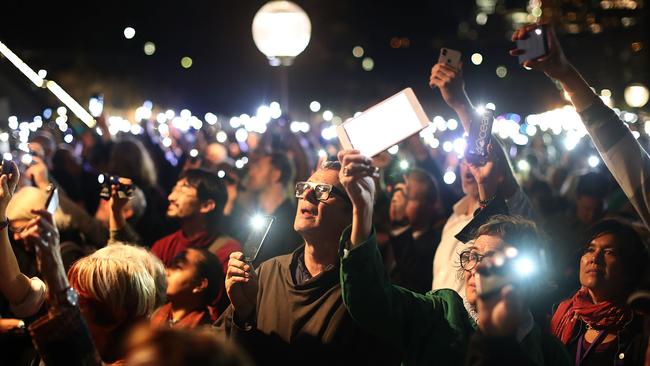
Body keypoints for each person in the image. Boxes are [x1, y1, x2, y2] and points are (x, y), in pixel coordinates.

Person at [336, 148, 570, 366]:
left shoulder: (548, 352)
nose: (476, 269)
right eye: (473, 256)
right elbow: (371, 301)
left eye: (491, 259)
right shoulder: (441, 313)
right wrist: (363, 209)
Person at [216, 158, 399, 366]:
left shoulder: (360, 291)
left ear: (352, 213)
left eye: (322, 190)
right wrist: (243, 313)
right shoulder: (267, 272)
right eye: (304, 187)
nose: (307, 194)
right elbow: (219, 350)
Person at [428, 62, 535, 304]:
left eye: (476, 157)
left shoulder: (514, 213)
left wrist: (459, 103)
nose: (470, 167)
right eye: (464, 159)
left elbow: (502, 175)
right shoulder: (453, 218)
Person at [549, 219, 648, 365]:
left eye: (609, 252)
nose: (594, 258)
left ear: (628, 269)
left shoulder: (640, 329)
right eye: (590, 249)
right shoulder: (563, 314)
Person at [150, 168, 241, 271]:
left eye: (182, 192)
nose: (171, 197)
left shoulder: (228, 253)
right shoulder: (164, 246)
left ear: (206, 205)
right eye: (174, 190)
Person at [238, 152, 302, 266]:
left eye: (258, 167)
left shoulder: (291, 221)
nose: (251, 172)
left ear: (276, 174)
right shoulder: (253, 215)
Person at [386, 168, 443, 293]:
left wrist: (400, 226)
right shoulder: (383, 235)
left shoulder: (437, 243)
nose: (401, 202)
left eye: (409, 198)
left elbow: (413, 277)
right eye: (400, 193)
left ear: (429, 205)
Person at [150, 248, 223, 329]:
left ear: (200, 285)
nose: (166, 272)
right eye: (171, 265)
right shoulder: (154, 316)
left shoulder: (203, 335)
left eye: (178, 267)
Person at [125, 325, 253, 366]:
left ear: (201, 284)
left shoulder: (201, 333)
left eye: (179, 267)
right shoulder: (159, 318)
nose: (168, 272)